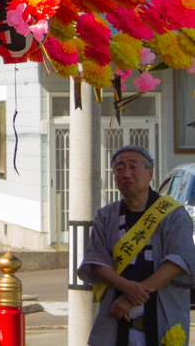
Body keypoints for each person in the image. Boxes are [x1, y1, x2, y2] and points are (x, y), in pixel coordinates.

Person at [80, 146, 195, 346]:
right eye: (119, 168)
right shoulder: (105, 216)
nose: (126, 173)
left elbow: (178, 262)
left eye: (133, 167)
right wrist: (126, 287)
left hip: (162, 317)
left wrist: (131, 297)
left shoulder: (174, 215)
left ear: (150, 174)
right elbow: (96, 262)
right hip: (116, 320)